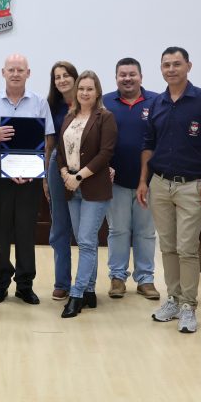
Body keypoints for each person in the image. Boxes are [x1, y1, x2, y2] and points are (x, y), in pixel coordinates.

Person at [136, 46, 201, 333]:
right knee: (168, 246)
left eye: (177, 64)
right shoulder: (156, 103)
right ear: (160, 69)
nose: (171, 69)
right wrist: (142, 181)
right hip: (160, 184)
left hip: (193, 185)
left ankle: (189, 306)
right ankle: (172, 300)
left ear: (189, 66)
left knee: (188, 248)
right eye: (166, 65)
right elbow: (148, 145)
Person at [0, 54, 54, 306]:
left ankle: (25, 285)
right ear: (3, 72)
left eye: (20, 70)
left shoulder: (39, 103)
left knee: (26, 231)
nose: (15, 73)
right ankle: (0, 283)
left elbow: (47, 141)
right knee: (1, 232)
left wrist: (37, 170)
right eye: (11, 69)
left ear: (28, 73)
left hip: (30, 178)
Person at [56, 71, 117, 318]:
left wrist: (78, 176)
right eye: (81, 88)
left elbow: (106, 153)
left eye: (90, 89)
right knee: (82, 241)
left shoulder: (106, 117)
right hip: (71, 187)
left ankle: (77, 293)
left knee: (87, 241)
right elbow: (61, 150)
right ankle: (90, 290)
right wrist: (63, 173)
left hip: (93, 187)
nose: (84, 93)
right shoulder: (70, 116)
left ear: (97, 92)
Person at [102, 58, 160, 300]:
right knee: (118, 230)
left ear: (141, 76)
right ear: (116, 77)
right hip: (115, 181)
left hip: (149, 181)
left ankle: (145, 279)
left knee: (146, 232)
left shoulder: (157, 101)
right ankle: (117, 277)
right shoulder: (104, 102)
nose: (127, 78)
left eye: (132, 74)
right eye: (122, 74)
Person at [45, 61, 78, 301]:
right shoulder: (51, 107)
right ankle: (62, 282)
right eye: (57, 77)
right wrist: (46, 177)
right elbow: (48, 144)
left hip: (86, 170)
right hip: (57, 169)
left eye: (66, 75)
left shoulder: (91, 104)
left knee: (85, 231)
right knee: (59, 228)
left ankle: (85, 284)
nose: (62, 80)